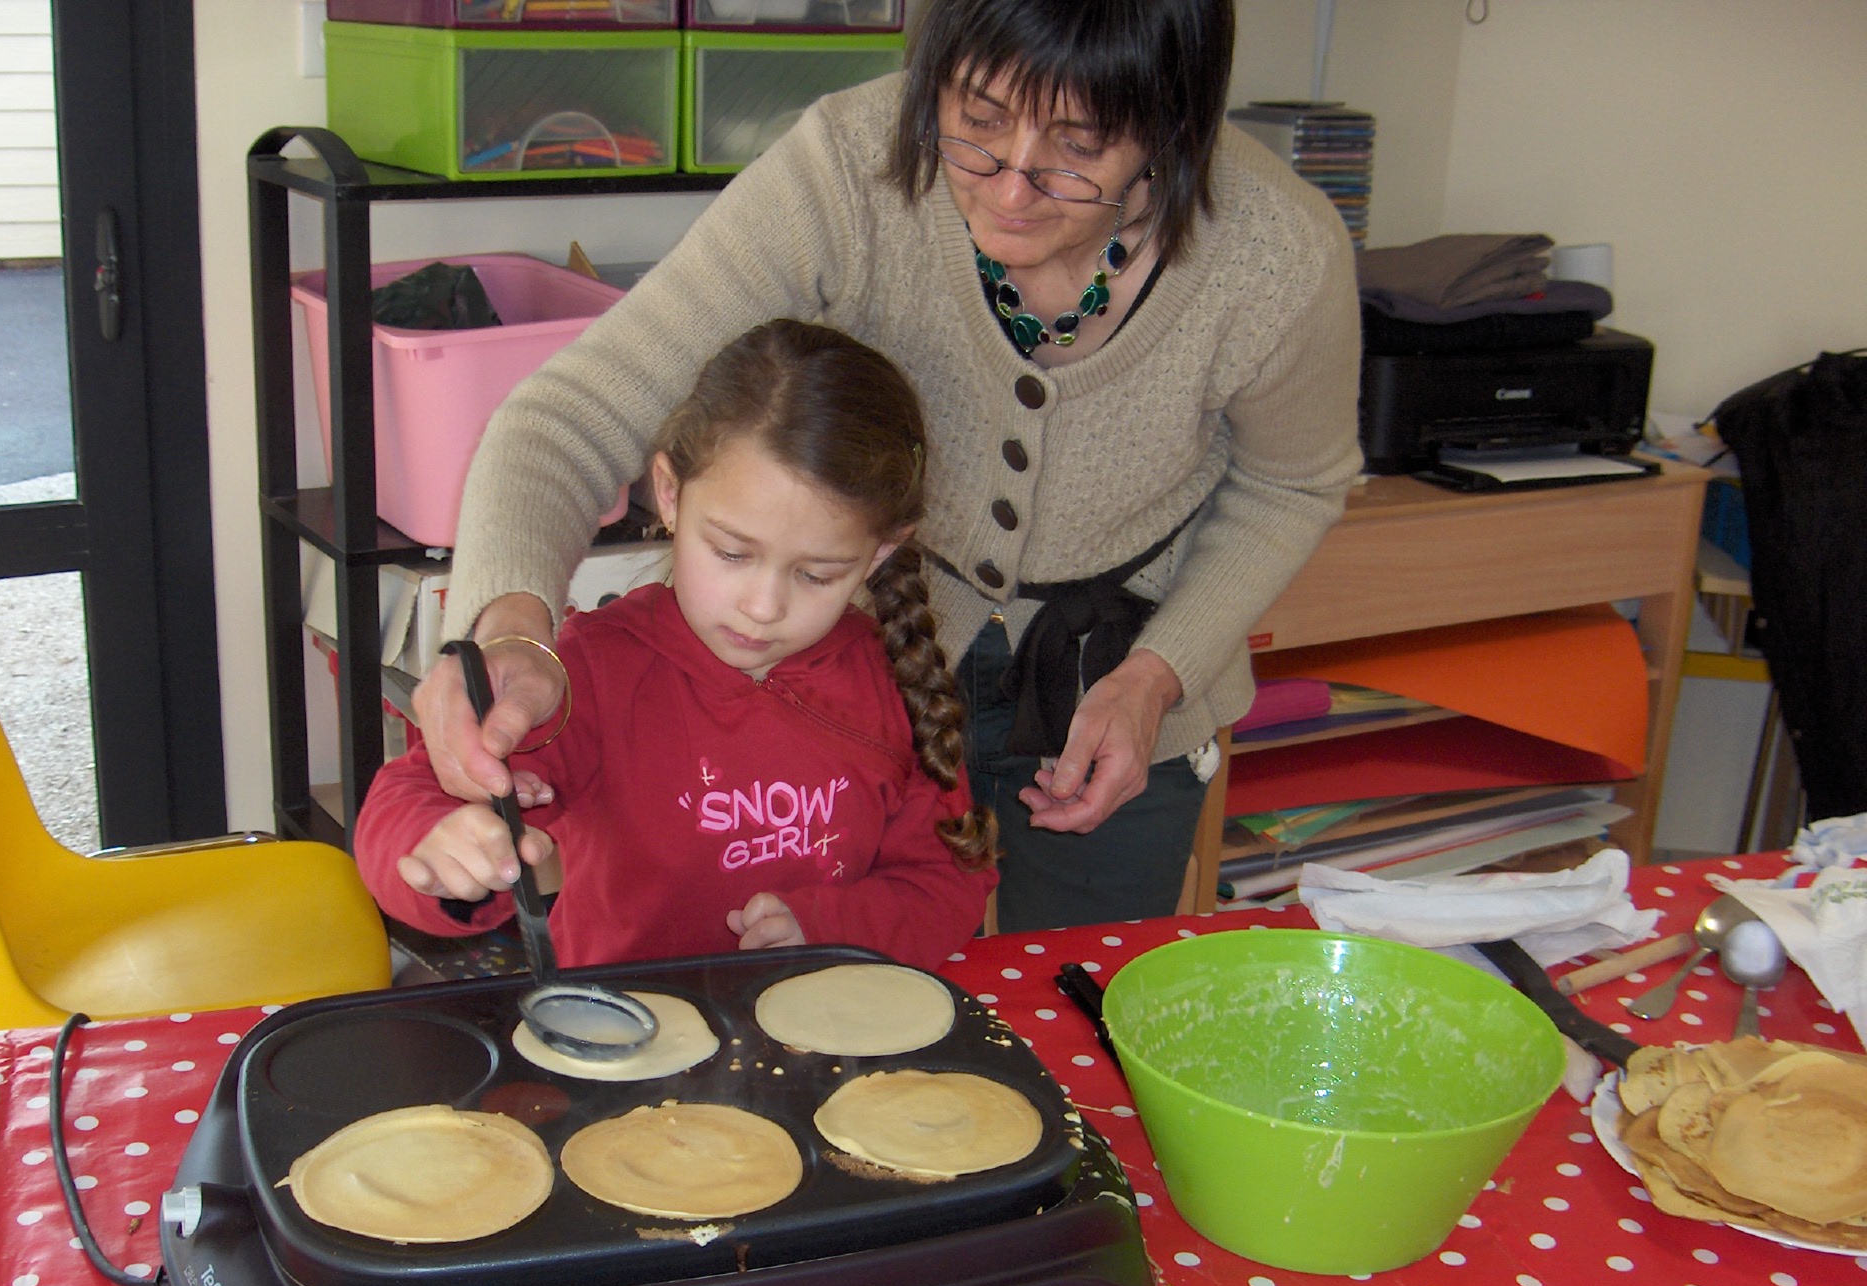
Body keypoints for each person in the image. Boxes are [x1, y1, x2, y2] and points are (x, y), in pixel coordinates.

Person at [413, 0, 1360, 932]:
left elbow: (1292, 483)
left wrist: (1158, 674)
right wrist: (509, 635)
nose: (1012, 186)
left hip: (1122, 679)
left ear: (1170, 127)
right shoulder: (848, 165)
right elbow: (571, 416)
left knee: (1080, 1006)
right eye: (977, 122)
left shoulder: (1274, 252)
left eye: (1077, 148)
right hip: (862, 671)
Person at [357, 319, 996, 972]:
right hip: (630, 1038)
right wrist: (444, 848)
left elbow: (947, 886)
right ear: (669, 494)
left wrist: (831, 927)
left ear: (881, 551)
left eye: (815, 574)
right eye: (730, 552)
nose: (763, 606)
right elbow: (408, 797)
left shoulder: (892, 678)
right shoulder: (591, 673)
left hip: (832, 1046)